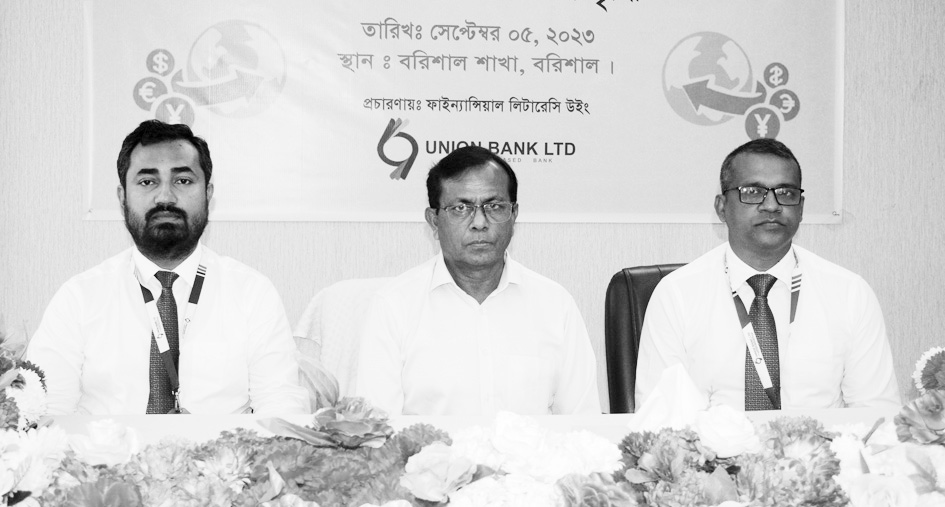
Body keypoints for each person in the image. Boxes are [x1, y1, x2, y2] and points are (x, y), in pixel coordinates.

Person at [28, 120, 309, 415]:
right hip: (106, 446)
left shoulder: (252, 294)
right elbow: (46, 414)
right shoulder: (79, 298)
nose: (165, 197)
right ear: (122, 197)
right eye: (147, 182)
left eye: (183, 181)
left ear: (208, 194)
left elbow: (281, 409)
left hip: (219, 445)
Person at [635, 138, 900, 411]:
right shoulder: (677, 295)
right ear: (722, 207)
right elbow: (659, 417)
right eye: (753, 192)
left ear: (801, 208)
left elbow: (878, 415)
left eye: (786, 193)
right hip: (711, 440)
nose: (772, 205)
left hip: (818, 439)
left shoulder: (849, 293)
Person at [356, 146, 601, 416]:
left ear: (514, 215)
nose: (480, 222)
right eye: (461, 208)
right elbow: (377, 428)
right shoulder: (394, 307)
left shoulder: (555, 305)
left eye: (494, 206)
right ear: (434, 221)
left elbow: (583, 424)